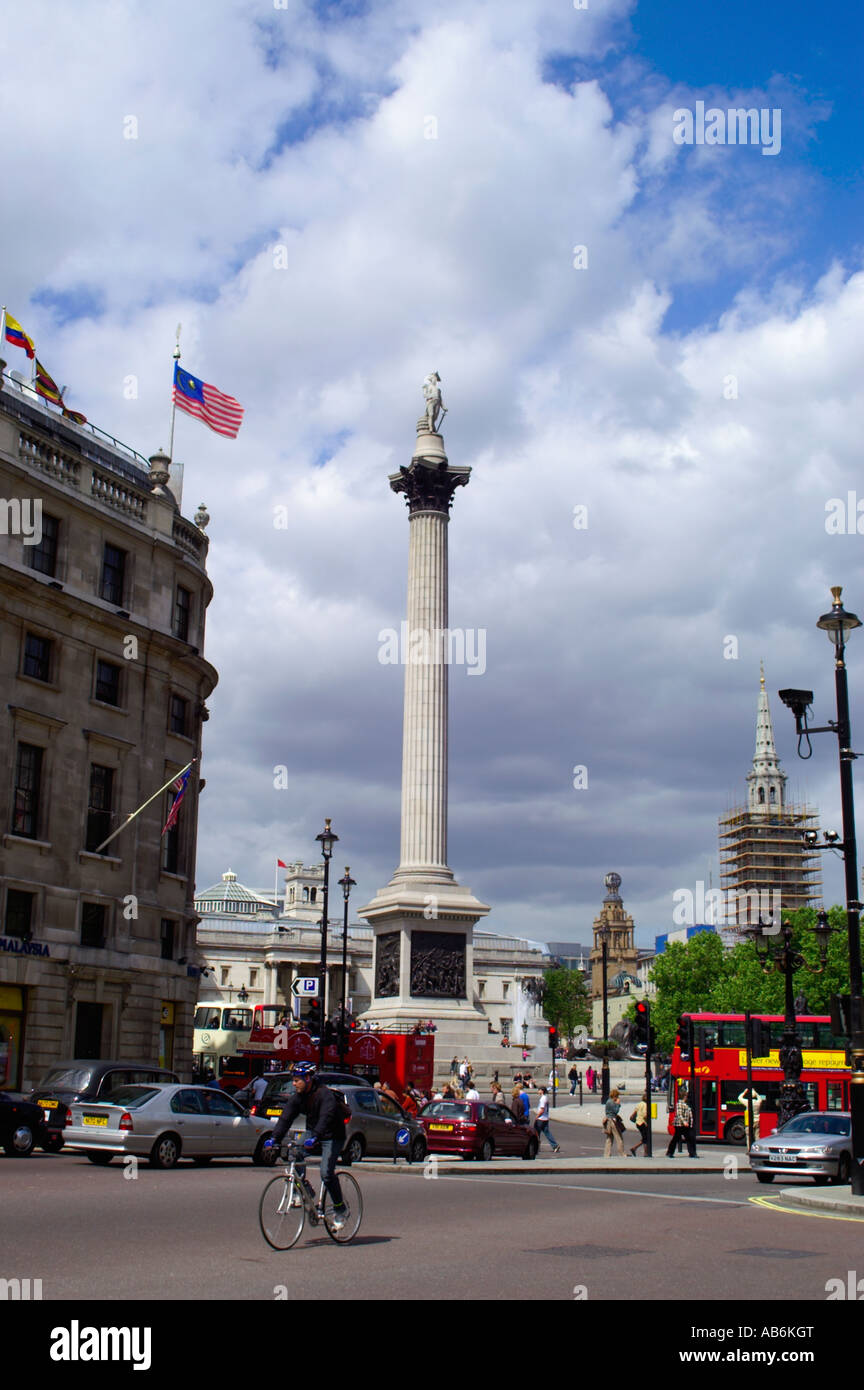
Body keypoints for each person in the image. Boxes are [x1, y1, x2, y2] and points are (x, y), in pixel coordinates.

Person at [268, 1062, 348, 1228]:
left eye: (297, 1080)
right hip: (313, 1134)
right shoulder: (298, 1097)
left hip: (332, 1136)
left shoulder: (324, 1095)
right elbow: (286, 1118)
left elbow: (326, 1117)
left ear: (308, 1078)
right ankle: (303, 1189)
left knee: (326, 1173)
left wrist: (316, 1136)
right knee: (294, 1153)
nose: (294, 1083)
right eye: (293, 1080)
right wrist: (274, 1138)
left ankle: (340, 1209)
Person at [666, 1088, 697, 1158]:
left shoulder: (686, 1104)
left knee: (689, 1138)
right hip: (680, 1124)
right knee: (676, 1138)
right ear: (684, 1096)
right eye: (686, 1095)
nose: (687, 1097)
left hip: (685, 1125)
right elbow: (679, 1114)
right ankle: (670, 1152)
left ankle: (692, 1153)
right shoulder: (679, 1104)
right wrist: (685, 1122)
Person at [534, 1086, 562, 1152]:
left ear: (542, 1091)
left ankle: (536, 1147)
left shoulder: (542, 1099)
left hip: (541, 1119)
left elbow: (542, 1109)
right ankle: (555, 1145)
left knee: (536, 1134)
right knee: (547, 1133)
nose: (538, 1091)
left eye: (539, 1090)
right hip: (545, 1118)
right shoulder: (546, 1098)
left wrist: (537, 1116)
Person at [602, 1088, 626, 1157]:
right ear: (615, 1096)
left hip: (608, 1121)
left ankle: (607, 1154)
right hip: (612, 1121)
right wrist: (618, 1104)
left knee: (609, 1138)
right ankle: (622, 1153)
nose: (618, 1097)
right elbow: (615, 1111)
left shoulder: (608, 1101)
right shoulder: (611, 1102)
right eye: (617, 1096)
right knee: (619, 1137)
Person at [629, 1092, 649, 1156]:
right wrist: (647, 1122)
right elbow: (645, 1115)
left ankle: (634, 1148)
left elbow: (634, 1113)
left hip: (638, 1122)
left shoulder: (639, 1104)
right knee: (645, 1138)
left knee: (645, 1137)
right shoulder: (645, 1105)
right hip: (643, 1123)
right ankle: (645, 1153)